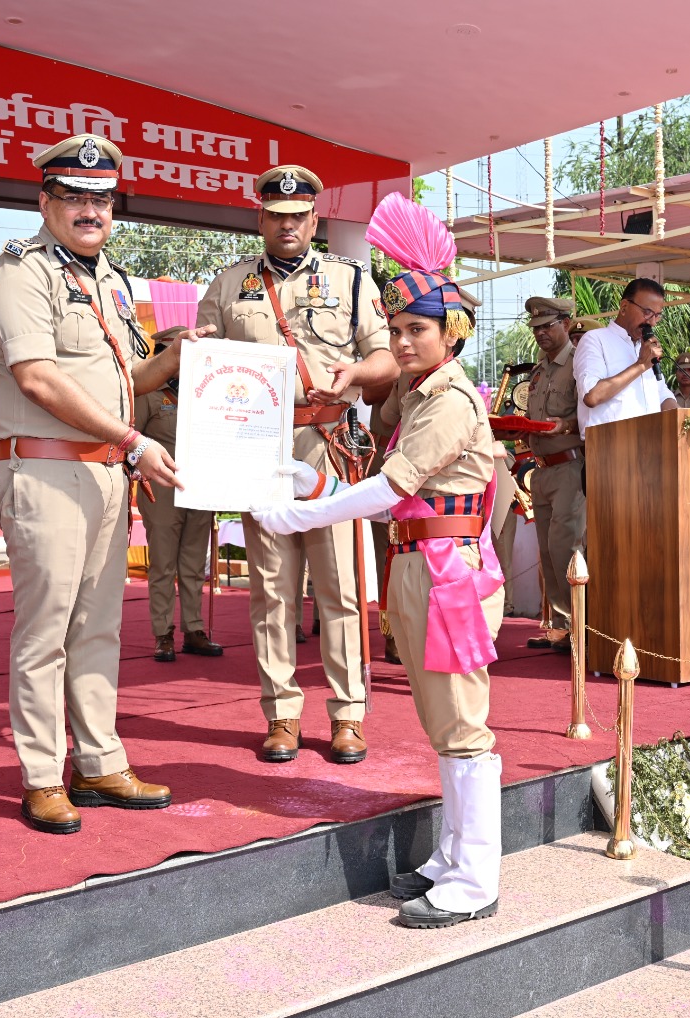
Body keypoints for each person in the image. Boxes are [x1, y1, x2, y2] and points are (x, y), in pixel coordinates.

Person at [254, 195, 502, 929]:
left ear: (450, 333)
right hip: (422, 562)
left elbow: (389, 487)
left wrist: (302, 513)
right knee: (441, 720)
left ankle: (477, 874)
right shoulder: (419, 397)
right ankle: (455, 855)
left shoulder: (450, 400)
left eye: (415, 329)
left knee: (461, 724)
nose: (399, 342)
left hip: (448, 571)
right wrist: (309, 483)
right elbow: (377, 482)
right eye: (394, 329)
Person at [0, 133, 206, 833]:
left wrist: (173, 362)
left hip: (106, 471)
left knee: (98, 627)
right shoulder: (19, 272)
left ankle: (100, 761)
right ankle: (44, 775)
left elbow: (118, 382)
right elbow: (39, 377)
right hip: (46, 469)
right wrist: (134, 440)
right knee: (45, 631)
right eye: (74, 197)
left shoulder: (110, 279)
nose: (89, 210)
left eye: (101, 198)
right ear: (45, 200)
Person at [195, 164, 398, 764]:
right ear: (261, 217)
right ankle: (281, 713)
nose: (288, 226)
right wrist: (199, 344)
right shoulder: (231, 284)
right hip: (255, 449)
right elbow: (204, 355)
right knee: (271, 590)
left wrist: (357, 374)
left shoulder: (352, 280)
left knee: (338, 586)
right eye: (276, 216)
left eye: (299, 217)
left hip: (326, 444)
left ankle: (347, 716)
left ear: (315, 219)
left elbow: (385, 360)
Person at [136, 326, 224, 662]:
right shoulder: (149, 393)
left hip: (200, 487)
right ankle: (163, 634)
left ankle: (194, 629)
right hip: (162, 490)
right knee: (162, 565)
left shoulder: (204, 392)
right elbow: (133, 439)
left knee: (192, 564)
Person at [518, 295, 584, 653]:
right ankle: (560, 628)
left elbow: (591, 415)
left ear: (567, 324)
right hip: (540, 470)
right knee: (546, 552)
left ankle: (581, 628)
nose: (540, 333)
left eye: (547, 326)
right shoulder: (540, 368)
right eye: (536, 328)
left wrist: (565, 425)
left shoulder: (578, 364)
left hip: (570, 467)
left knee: (566, 551)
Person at [573, 278, 676, 441]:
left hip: (650, 445)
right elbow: (592, 396)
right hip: (609, 447)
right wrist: (640, 365)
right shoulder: (595, 340)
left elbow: (662, 394)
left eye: (657, 315)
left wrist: (686, 421)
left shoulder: (643, 348)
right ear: (624, 307)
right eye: (647, 312)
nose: (653, 322)